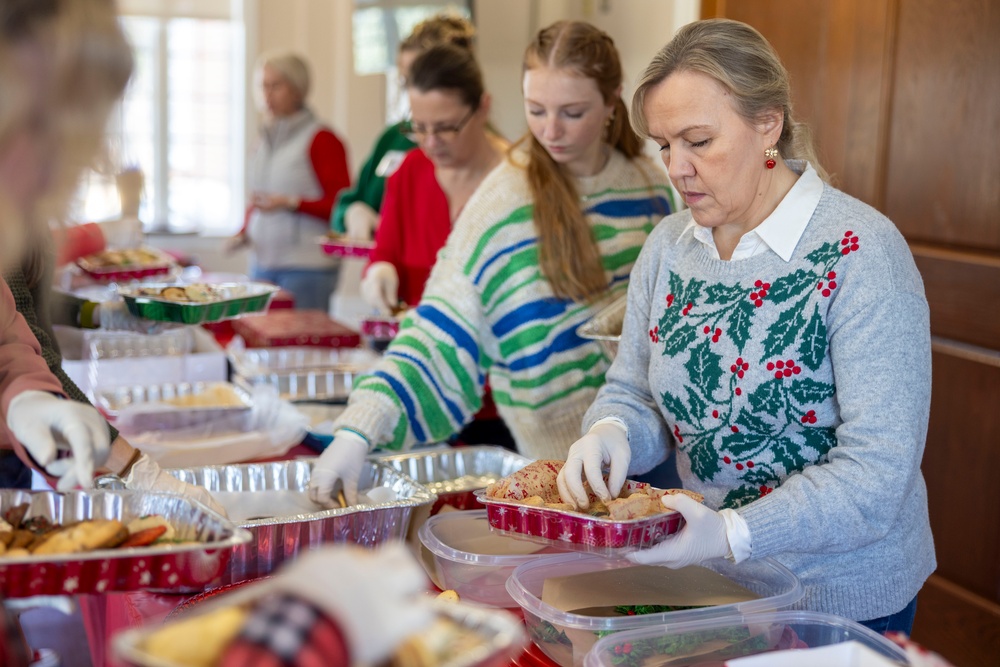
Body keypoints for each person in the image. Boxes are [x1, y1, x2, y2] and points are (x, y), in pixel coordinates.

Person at [556, 19, 934, 635]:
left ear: (768, 124)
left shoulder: (861, 252)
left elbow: (877, 474)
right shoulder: (669, 247)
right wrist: (611, 431)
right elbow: (633, 388)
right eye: (663, 145)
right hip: (714, 585)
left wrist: (735, 530)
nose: (676, 168)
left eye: (698, 141)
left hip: (841, 597)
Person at [309, 20, 675, 507]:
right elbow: (437, 329)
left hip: (653, 453)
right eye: (536, 110)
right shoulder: (503, 200)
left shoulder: (649, 183)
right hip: (555, 472)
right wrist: (359, 429)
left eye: (572, 112)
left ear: (613, 102)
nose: (551, 130)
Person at [331, 13, 475, 241]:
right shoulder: (394, 137)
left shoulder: (475, 147)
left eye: (419, 79)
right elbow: (351, 200)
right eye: (405, 81)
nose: (412, 92)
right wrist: (353, 214)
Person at [234, 51, 351, 310]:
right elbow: (260, 197)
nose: (267, 95)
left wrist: (292, 203)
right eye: (263, 86)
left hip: (307, 268)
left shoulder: (321, 138)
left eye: (276, 86)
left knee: (299, 347)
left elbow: (342, 207)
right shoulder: (263, 139)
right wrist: (244, 230)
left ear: (298, 90)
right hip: (262, 262)